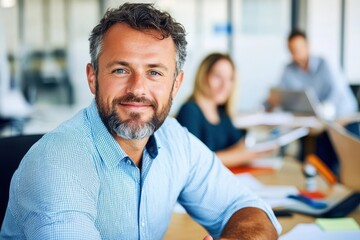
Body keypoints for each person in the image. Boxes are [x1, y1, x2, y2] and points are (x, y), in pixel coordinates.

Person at [0, 3, 280, 239]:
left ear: (176, 84)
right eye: (121, 70)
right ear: (93, 78)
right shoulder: (58, 164)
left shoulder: (174, 138)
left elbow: (249, 209)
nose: (138, 88)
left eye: (155, 73)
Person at [177, 53, 277, 168]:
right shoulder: (190, 111)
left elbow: (239, 145)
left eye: (230, 79)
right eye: (218, 76)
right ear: (204, 76)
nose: (225, 85)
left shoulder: (221, 113)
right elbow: (196, 161)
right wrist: (244, 156)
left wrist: (265, 143)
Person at [267, 29, 358, 118]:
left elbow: (338, 89)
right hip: (314, 119)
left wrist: (326, 108)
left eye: (297, 49)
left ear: (307, 46)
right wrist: (267, 105)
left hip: (343, 115)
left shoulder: (325, 64)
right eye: (291, 50)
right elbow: (279, 92)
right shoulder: (289, 70)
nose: (295, 54)